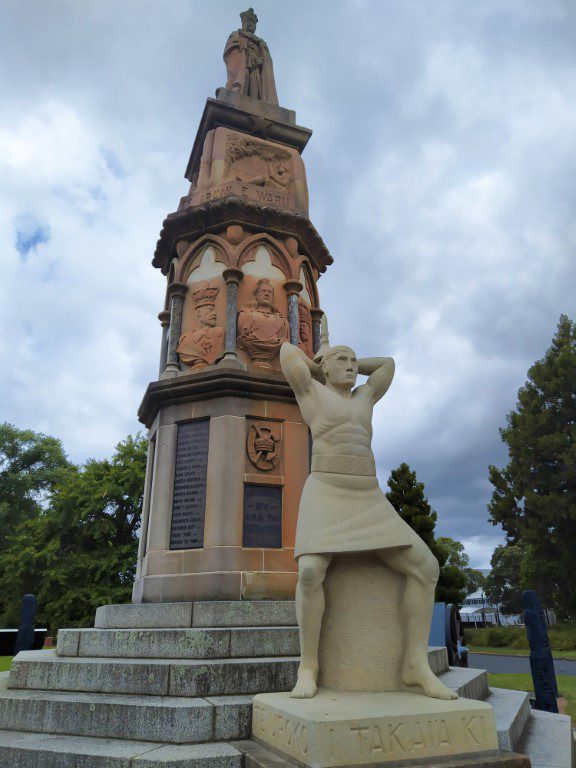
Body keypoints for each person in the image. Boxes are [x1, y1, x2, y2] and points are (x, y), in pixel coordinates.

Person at [279, 322, 458, 701]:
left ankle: (415, 665)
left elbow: (388, 365)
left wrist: (351, 363)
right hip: (326, 487)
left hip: (367, 493)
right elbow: (285, 353)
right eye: (342, 360)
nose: (350, 365)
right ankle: (308, 666)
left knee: (426, 567)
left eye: (353, 360)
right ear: (325, 367)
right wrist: (319, 362)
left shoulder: (365, 398)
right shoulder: (311, 392)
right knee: (310, 571)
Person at [223, 8, 278, 104]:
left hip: (256, 66)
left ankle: (255, 104)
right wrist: (242, 50)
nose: (250, 24)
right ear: (243, 23)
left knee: (255, 82)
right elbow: (230, 48)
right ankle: (238, 98)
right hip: (243, 62)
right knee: (244, 76)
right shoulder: (236, 34)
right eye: (248, 21)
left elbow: (267, 58)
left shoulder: (261, 42)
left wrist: (262, 61)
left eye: (253, 22)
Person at [237, 278, 289, 362]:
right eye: (263, 291)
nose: (266, 294)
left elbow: (284, 340)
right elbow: (244, 336)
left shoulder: (282, 321)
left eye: (269, 292)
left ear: (273, 298)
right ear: (256, 296)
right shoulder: (246, 315)